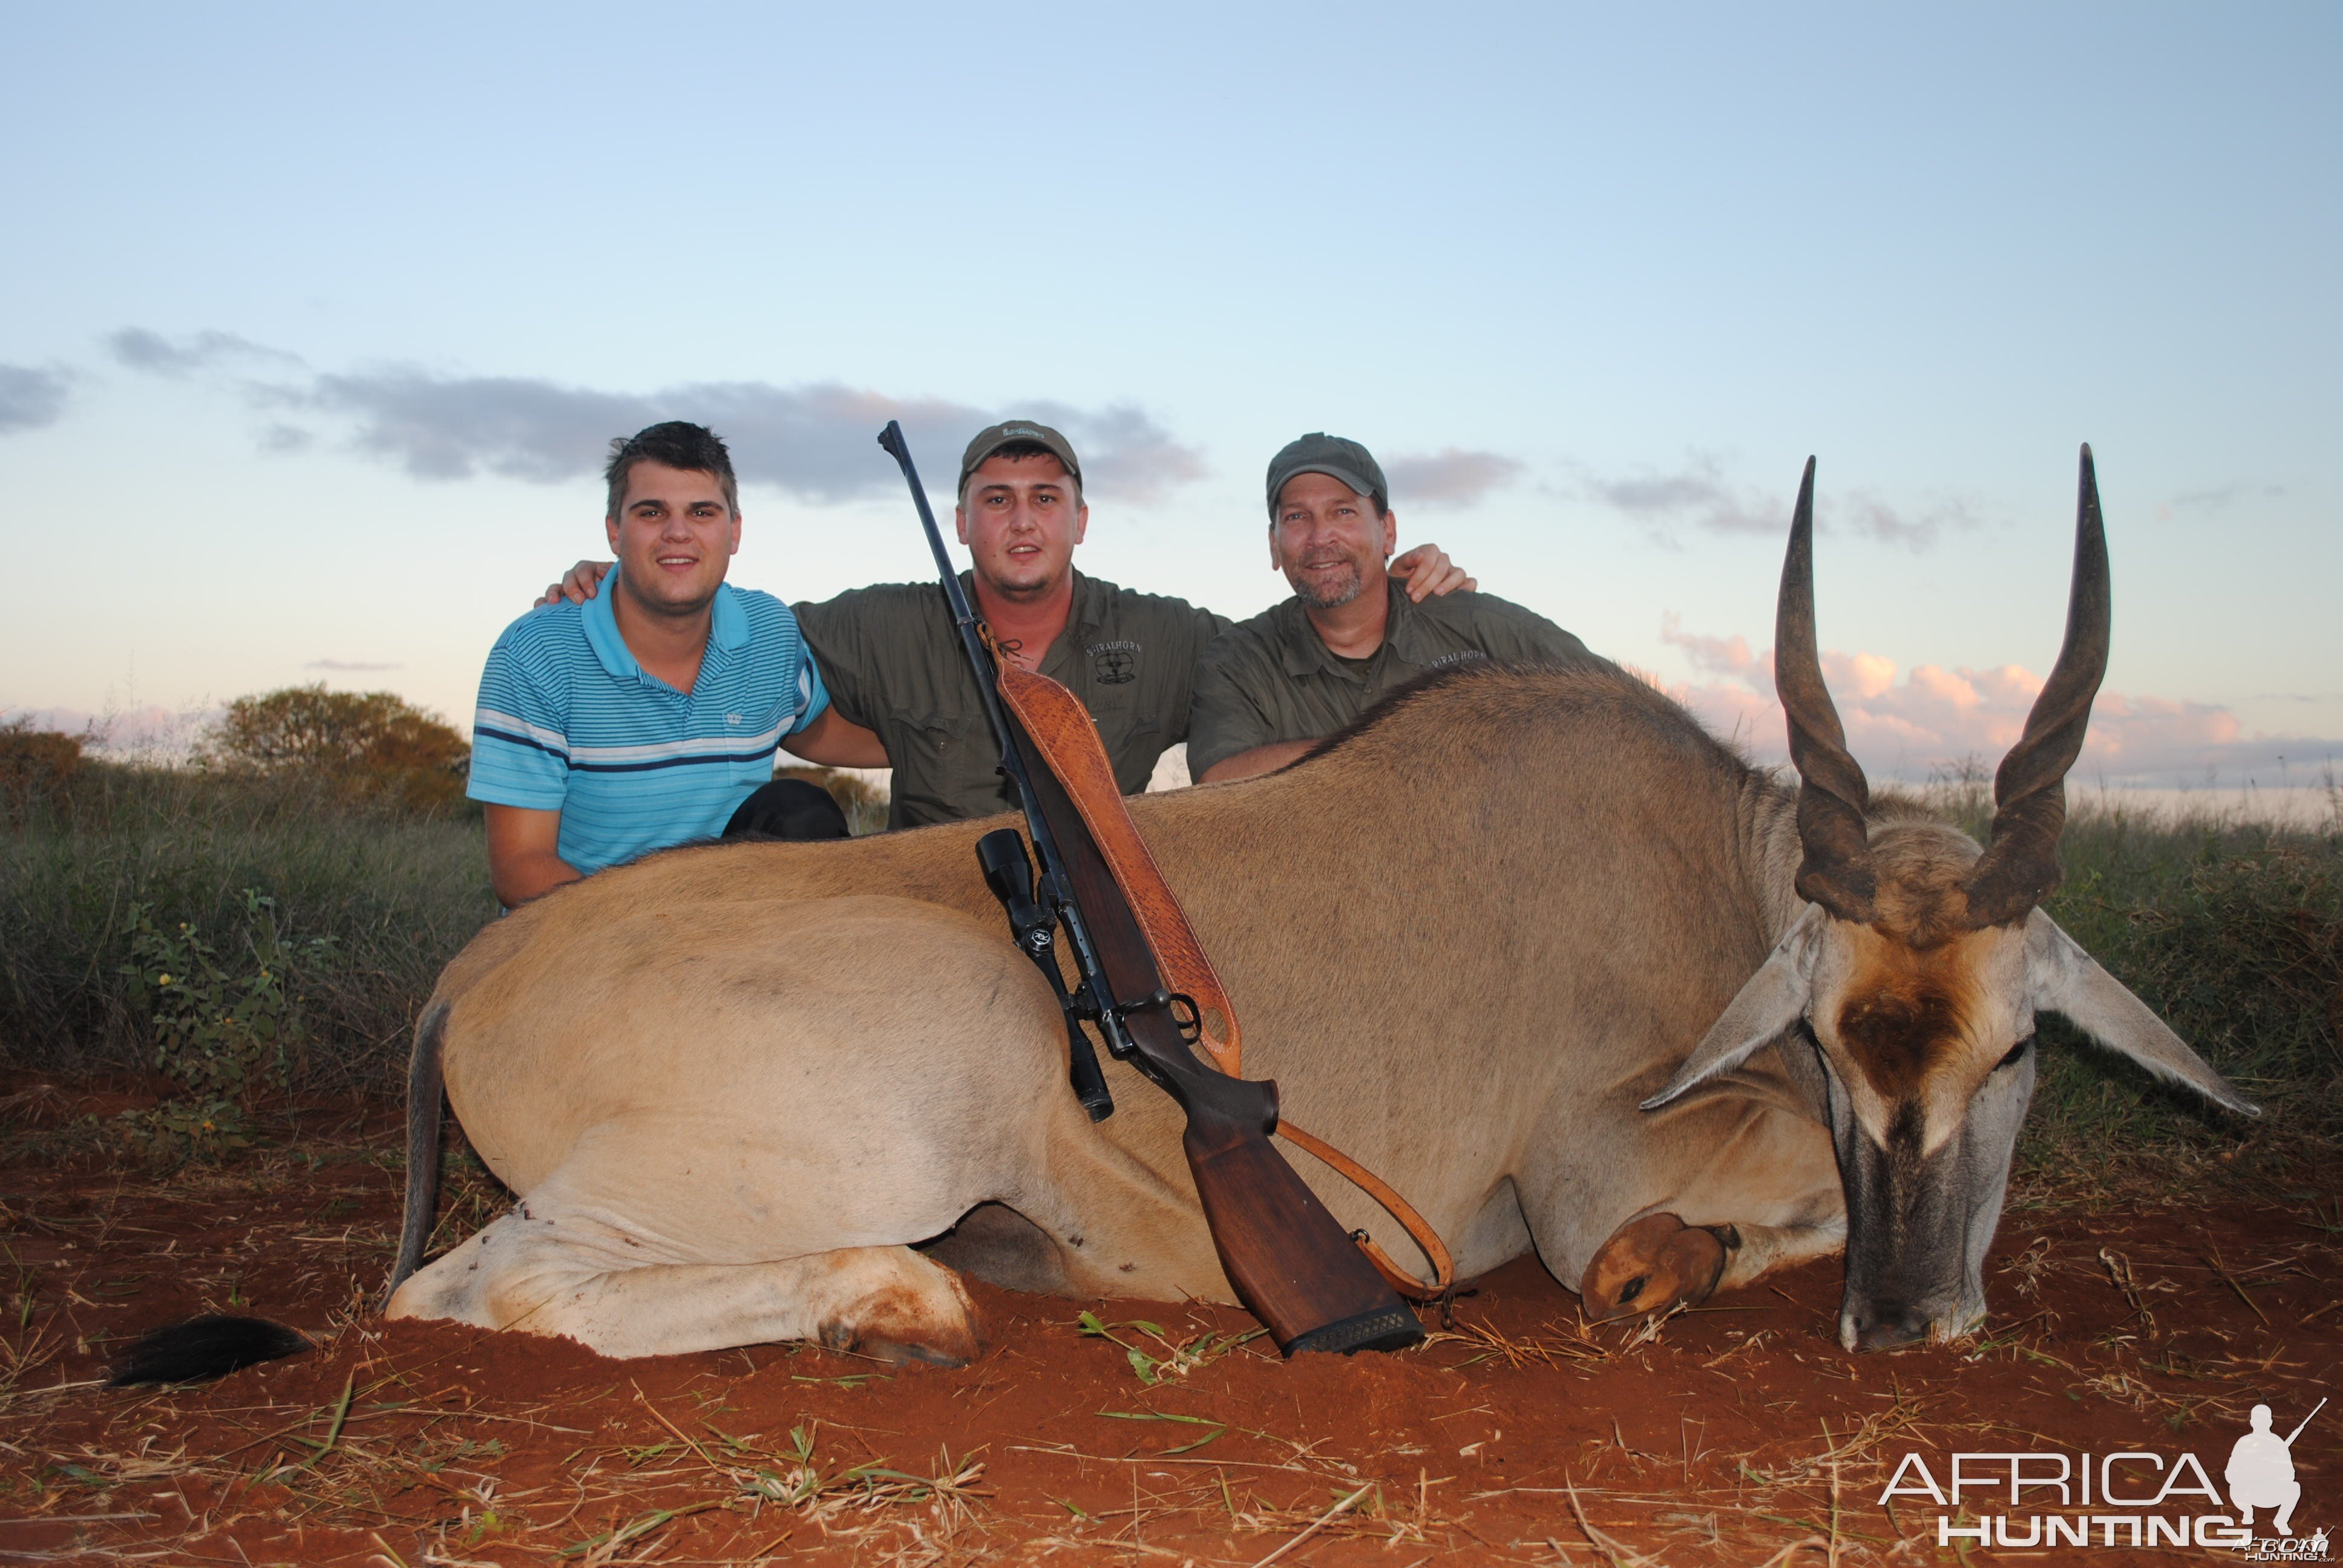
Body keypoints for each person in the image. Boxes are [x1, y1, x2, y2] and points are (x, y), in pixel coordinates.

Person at [540, 420, 1476, 828]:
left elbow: (1301, 650)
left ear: (1079, 519)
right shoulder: (883, 624)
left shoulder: (1168, 635)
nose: (1021, 521)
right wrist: (610, 589)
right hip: (928, 926)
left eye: (1043, 498)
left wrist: (1395, 592)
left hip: (1108, 931)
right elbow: (720, 633)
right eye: (996, 499)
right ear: (960, 523)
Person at [468, 422, 883, 906]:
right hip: (589, 936)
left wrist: (953, 752)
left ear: (735, 531)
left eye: (702, 512)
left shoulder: (768, 629)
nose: (678, 533)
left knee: (800, 811)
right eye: (652, 512)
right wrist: (661, 942)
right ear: (615, 531)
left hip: (725, 916)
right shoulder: (535, 652)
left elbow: (813, 729)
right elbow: (520, 867)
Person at [1187, 433, 1599, 783]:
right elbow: (1219, 781)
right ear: (1275, 545)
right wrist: (1402, 747)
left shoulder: (1482, 628)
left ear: (1388, 532)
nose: (1320, 536)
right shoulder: (1238, 659)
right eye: (1297, 517)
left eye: (1343, 511)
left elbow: (1620, 712)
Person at [2226, 1403, 2304, 1535]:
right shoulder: (2243, 1442)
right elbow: (2230, 1473)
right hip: (2248, 1492)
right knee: (2234, 1487)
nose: (2260, 1423)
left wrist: (2272, 1471)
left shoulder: (2278, 1443)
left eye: (2263, 1420)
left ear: (2270, 1422)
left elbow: (2290, 1475)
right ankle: (2247, 1511)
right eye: (2258, 1420)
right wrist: (2249, 1474)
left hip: (2271, 1492)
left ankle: (2281, 1521)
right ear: (2252, 1422)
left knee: (2295, 1487)